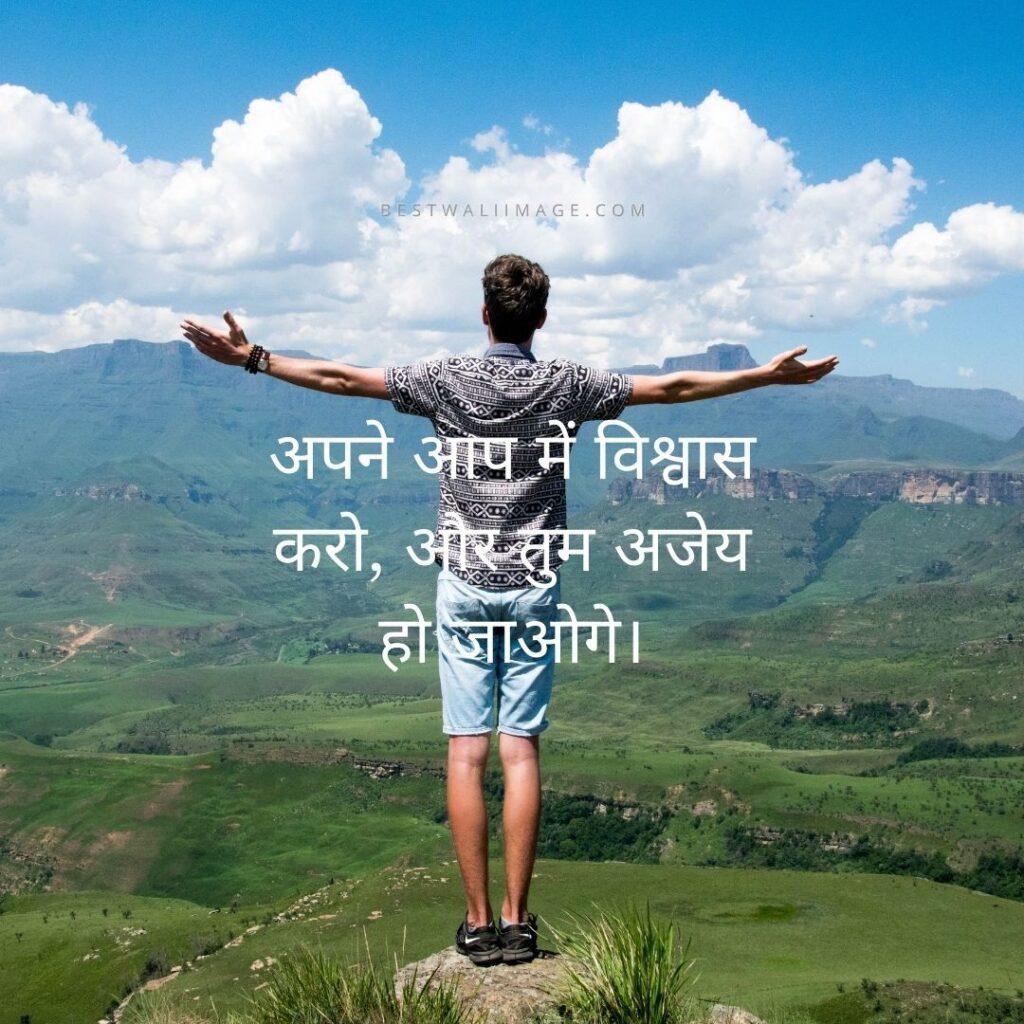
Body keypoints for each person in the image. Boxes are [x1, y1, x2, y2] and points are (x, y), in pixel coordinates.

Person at [181, 253, 838, 966]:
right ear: (542, 319)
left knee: (466, 752)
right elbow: (673, 386)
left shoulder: (445, 379)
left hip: (462, 585)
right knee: (519, 750)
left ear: (485, 314)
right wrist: (767, 376)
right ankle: (520, 925)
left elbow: (341, 378)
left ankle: (477, 924)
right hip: (533, 587)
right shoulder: (568, 384)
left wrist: (254, 359)